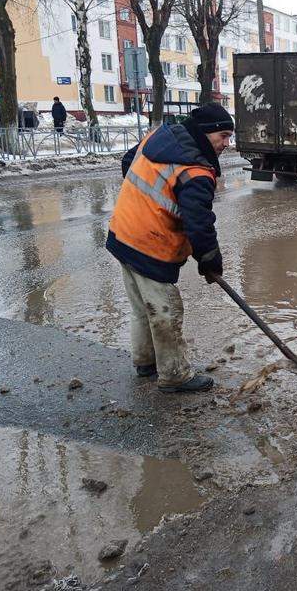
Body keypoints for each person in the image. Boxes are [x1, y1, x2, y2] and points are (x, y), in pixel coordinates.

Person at [106, 103, 233, 393]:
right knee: (166, 311)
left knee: (143, 308)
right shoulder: (196, 171)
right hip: (150, 245)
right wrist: (210, 259)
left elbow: (129, 162)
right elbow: (199, 224)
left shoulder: (161, 136)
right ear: (206, 133)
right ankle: (175, 375)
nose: (227, 144)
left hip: (122, 232)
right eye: (223, 136)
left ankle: (146, 362)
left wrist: (144, 205)